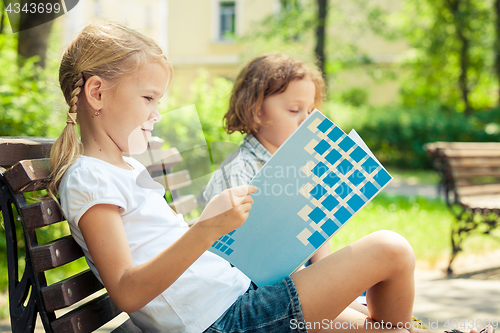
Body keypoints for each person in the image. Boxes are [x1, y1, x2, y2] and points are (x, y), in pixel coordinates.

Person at [47, 21, 493, 333]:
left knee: (380, 327)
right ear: (97, 92)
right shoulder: (91, 178)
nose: (156, 113)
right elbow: (127, 291)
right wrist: (207, 228)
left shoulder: (119, 169)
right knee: (390, 250)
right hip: (225, 320)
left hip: (238, 300)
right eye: (148, 97)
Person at [203, 54, 331, 266]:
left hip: (303, 277)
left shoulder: (300, 165)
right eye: (294, 110)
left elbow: (316, 232)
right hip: (259, 287)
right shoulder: (239, 171)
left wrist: (327, 274)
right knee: (388, 250)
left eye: (310, 111)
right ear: (257, 111)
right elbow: (237, 253)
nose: (306, 121)